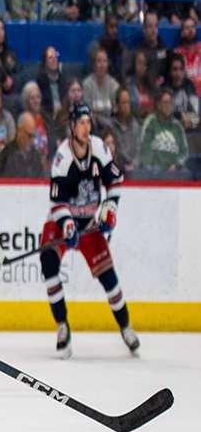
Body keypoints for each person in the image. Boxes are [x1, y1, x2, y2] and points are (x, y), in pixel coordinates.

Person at [39, 101, 139, 360]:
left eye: (88, 122)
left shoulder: (100, 149)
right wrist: (68, 224)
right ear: (71, 126)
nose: (86, 127)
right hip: (62, 222)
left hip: (90, 225)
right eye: (81, 122)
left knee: (109, 277)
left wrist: (109, 208)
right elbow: (57, 202)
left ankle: (126, 327)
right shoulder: (62, 157)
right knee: (48, 263)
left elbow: (115, 181)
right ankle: (62, 327)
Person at [140, 88, 189, 172]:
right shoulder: (150, 122)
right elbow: (144, 148)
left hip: (174, 169)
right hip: (155, 170)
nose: (168, 105)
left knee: (185, 172)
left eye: (170, 102)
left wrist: (176, 165)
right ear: (158, 105)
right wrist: (149, 168)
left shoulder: (177, 126)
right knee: (156, 169)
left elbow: (184, 152)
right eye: (165, 102)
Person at [0, 111, 45, 178]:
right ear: (20, 131)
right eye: (29, 136)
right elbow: (4, 184)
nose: (32, 140)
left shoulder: (34, 154)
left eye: (34, 136)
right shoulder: (7, 155)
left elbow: (41, 178)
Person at [21, 80, 57, 171]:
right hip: (29, 165)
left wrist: (47, 158)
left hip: (48, 163)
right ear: (27, 101)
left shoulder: (47, 119)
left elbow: (53, 145)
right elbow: (21, 148)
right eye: (32, 98)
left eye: (38, 97)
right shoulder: (23, 120)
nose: (36, 101)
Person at [133, 10, 172, 88]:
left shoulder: (166, 51)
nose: (153, 30)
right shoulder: (138, 52)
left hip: (164, 92)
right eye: (150, 26)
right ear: (144, 29)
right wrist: (151, 83)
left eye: (156, 26)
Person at [82, 47, 120, 129]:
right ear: (94, 64)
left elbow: (116, 110)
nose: (102, 65)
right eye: (99, 61)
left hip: (111, 127)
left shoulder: (114, 85)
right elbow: (89, 112)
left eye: (105, 61)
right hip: (93, 127)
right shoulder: (87, 85)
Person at [87, 14, 127, 83]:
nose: (115, 31)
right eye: (111, 26)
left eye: (116, 27)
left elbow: (124, 73)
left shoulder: (122, 48)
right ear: (105, 27)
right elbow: (95, 73)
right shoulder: (95, 48)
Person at [109, 87, 141, 172]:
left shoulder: (135, 126)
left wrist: (133, 165)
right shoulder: (111, 125)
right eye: (123, 103)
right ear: (117, 105)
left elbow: (139, 150)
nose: (126, 106)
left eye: (128, 102)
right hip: (117, 168)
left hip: (134, 170)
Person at [167, 52, 199, 131]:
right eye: (175, 69)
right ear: (170, 72)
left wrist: (190, 122)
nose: (178, 74)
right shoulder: (165, 88)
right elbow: (163, 115)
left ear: (184, 71)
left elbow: (196, 113)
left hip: (189, 131)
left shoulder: (189, 86)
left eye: (181, 69)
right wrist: (181, 115)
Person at [126, 49, 157, 124]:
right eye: (139, 63)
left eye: (145, 64)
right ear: (134, 65)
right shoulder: (128, 87)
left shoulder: (152, 86)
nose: (142, 67)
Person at [36, 46, 67, 118]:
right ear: (45, 61)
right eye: (50, 57)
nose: (54, 59)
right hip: (47, 119)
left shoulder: (64, 82)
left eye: (55, 56)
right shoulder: (40, 84)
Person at [175, 17, 201, 96]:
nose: (190, 30)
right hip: (187, 95)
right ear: (182, 33)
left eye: (192, 27)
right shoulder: (177, 53)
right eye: (187, 28)